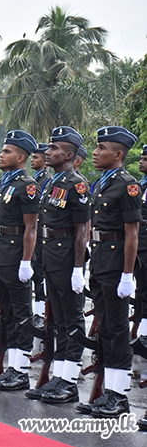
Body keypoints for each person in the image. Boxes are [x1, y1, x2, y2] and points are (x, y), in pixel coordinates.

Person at [77, 126, 139, 417]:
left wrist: (127, 274)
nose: (95, 152)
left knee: (116, 330)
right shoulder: (101, 183)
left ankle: (119, 395)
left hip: (116, 266)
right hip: (101, 263)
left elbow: (132, 234)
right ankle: (107, 392)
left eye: (101, 148)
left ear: (117, 154)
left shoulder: (127, 184)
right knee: (105, 330)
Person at [25, 126, 89, 404]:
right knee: (59, 320)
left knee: (72, 319)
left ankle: (70, 381)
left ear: (69, 154)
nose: (47, 152)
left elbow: (83, 230)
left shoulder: (77, 183)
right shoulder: (52, 183)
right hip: (51, 254)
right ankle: (58, 376)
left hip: (67, 257)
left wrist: (77, 268)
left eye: (53, 148)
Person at [0, 130, 39, 391]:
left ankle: (21, 370)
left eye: (7, 151)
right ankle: (10, 367)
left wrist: (26, 261)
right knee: (7, 312)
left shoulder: (26, 185)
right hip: (2, 255)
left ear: (20, 157)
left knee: (21, 313)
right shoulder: (5, 183)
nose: (1, 155)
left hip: (17, 254)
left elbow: (31, 228)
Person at [31, 144, 53, 322]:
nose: (32, 159)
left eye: (36, 157)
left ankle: (40, 312)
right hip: (33, 232)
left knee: (40, 272)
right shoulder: (35, 179)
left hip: (40, 233)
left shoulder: (47, 180)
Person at [133, 145, 147, 354]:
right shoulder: (141, 185)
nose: (141, 161)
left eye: (145, 158)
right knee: (141, 291)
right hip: (139, 246)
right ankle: (141, 334)